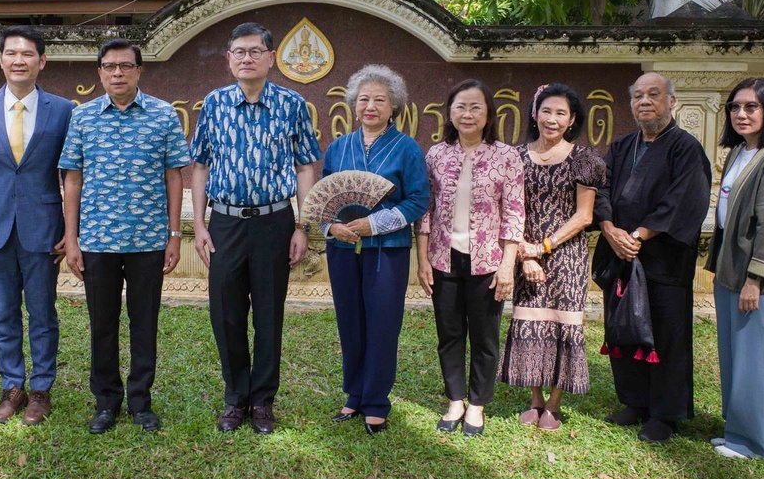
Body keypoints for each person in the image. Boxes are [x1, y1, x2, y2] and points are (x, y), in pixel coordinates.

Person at [190, 21, 322, 434]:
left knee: (268, 314)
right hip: (225, 221)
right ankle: (235, 398)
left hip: (274, 222)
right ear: (229, 59)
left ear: (270, 58)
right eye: (239, 52)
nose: (247, 59)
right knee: (226, 314)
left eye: (255, 51)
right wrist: (199, 225)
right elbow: (199, 166)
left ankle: (262, 401)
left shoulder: (292, 104)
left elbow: (306, 165)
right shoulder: (212, 104)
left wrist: (303, 225)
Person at [60, 38, 191, 435]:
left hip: (148, 241)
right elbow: (73, 178)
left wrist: (173, 235)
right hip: (97, 240)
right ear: (99, 72)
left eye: (125, 66)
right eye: (110, 66)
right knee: (102, 323)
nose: (117, 73)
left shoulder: (163, 115)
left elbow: (174, 176)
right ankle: (106, 402)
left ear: (139, 70)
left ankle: (140, 401)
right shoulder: (82, 118)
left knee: (144, 321)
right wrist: (71, 237)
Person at [0, 26, 75, 426]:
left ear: (42, 61)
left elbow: (72, 174)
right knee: (3, 313)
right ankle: (12, 387)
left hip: (44, 226)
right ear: (1, 59)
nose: (19, 60)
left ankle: (41, 390)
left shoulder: (63, 110)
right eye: (11, 53)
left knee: (43, 312)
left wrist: (69, 229)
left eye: (28, 54)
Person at [594, 72, 711, 444]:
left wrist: (639, 235)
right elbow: (602, 188)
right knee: (622, 329)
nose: (644, 101)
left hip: (662, 260)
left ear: (671, 102)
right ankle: (634, 402)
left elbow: (683, 200)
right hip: (620, 254)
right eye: (638, 96)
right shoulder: (621, 146)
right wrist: (610, 229)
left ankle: (665, 414)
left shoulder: (685, 148)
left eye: (654, 94)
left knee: (664, 334)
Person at [321, 65, 429, 435]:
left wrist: (375, 224)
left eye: (379, 100)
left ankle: (376, 401)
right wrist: (330, 226)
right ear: (353, 104)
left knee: (383, 324)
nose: (370, 106)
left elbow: (418, 200)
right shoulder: (338, 147)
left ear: (393, 106)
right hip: (342, 248)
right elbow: (322, 200)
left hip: (388, 249)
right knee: (350, 321)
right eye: (363, 99)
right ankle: (354, 393)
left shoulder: (407, 148)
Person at [417, 79, 523, 437]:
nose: (467, 114)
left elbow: (514, 214)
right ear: (449, 112)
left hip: (487, 261)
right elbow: (425, 212)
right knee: (448, 333)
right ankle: (455, 399)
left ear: (489, 113)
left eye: (476, 107)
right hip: (443, 259)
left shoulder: (507, 156)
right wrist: (422, 259)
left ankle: (477, 404)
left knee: (484, 336)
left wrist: (508, 265)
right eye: (461, 106)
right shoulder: (435, 154)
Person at [499, 84, 604, 432]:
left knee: (563, 325)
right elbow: (511, 209)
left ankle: (554, 405)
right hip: (524, 251)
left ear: (572, 119)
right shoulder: (515, 157)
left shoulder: (584, 159)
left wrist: (544, 247)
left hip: (567, 255)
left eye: (561, 113)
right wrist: (526, 255)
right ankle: (535, 399)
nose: (552, 119)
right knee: (530, 324)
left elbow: (584, 216)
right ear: (534, 113)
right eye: (546, 111)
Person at [706, 77, 764, 461]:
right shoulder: (741, 152)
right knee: (735, 354)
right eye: (735, 107)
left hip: (757, 278)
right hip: (732, 270)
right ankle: (737, 429)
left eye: (751, 107)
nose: (741, 114)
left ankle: (754, 442)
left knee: (755, 358)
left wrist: (756, 280)